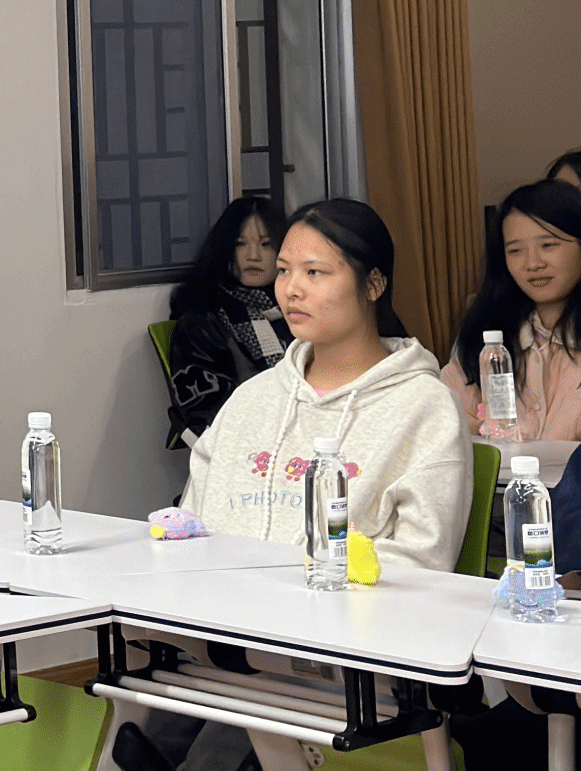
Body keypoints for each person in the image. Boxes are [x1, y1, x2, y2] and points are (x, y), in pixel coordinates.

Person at [116, 200, 472, 771]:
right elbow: (196, 524)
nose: (291, 289)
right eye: (284, 271)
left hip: (346, 656)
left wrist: (297, 602)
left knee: (220, 727)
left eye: (315, 272)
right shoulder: (255, 398)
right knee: (148, 705)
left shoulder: (422, 407)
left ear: (373, 284)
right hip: (233, 639)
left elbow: (423, 561)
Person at [442, 179, 581, 441]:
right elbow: (446, 428)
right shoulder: (483, 341)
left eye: (548, 245)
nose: (533, 263)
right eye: (515, 250)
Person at [164, 196, 292, 445]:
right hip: (246, 446)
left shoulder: (296, 310)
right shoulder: (202, 322)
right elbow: (208, 414)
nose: (253, 256)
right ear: (225, 250)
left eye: (266, 244)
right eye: (240, 244)